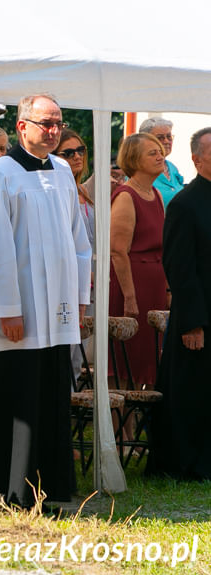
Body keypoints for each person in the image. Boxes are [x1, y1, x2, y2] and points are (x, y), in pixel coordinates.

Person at [0, 94, 92, 509]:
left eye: (57, 123)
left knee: (48, 395)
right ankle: (0, 485)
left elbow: (77, 242)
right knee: (13, 394)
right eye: (44, 122)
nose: (52, 131)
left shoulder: (64, 171)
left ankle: (47, 486)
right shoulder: (1, 175)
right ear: (22, 126)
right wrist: (6, 308)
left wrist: (78, 297)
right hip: (17, 313)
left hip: (56, 312)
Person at [149, 127, 211, 481]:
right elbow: (179, 266)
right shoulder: (185, 204)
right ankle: (187, 463)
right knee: (193, 396)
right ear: (196, 160)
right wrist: (191, 322)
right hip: (198, 317)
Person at [109, 132, 168, 389]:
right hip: (131, 284)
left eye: (160, 151)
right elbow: (118, 250)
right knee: (126, 358)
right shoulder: (126, 196)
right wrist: (130, 296)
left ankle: (134, 425)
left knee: (147, 356)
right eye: (152, 152)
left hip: (153, 284)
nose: (160, 155)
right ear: (134, 159)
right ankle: (121, 428)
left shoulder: (155, 195)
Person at [56, 129, 95, 377]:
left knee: (78, 353)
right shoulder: (56, 191)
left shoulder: (84, 191)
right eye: (68, 153)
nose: (77, 157)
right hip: (67, 277)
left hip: (88, 278)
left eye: (80, 150)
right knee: (66, 347)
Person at [139, 118, 183, 209]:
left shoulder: (172, 167)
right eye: (160, 138)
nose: (167, 141)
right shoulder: (139, 169)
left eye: (169, 136)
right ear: (145, 140)